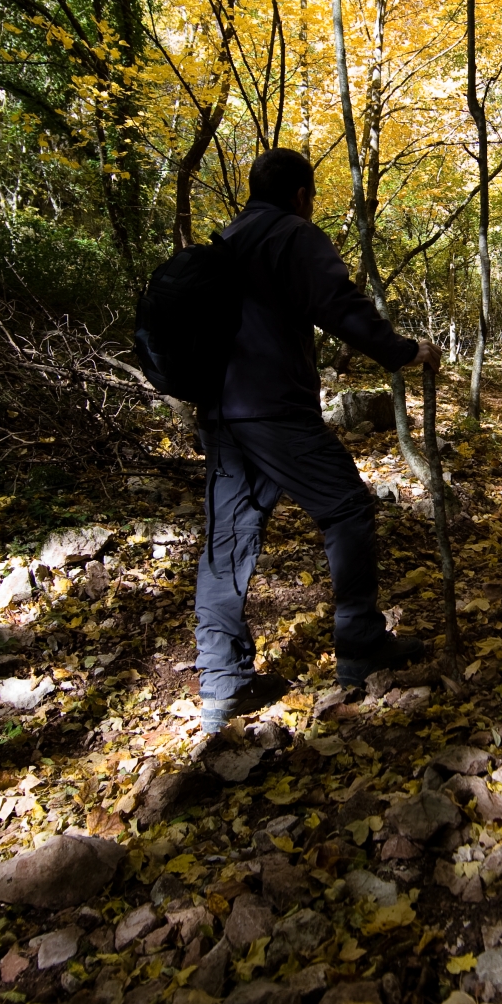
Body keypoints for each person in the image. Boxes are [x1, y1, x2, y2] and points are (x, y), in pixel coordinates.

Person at [194, 147, 443, 732]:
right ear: (302, 195)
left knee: (226, 540)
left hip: (223, 416)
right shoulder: (293, 235)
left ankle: (221, 681)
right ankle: (358, 642)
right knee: (348, 508)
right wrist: (405, 352)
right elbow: (339, 305)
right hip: (276, 410)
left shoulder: (224, 242)